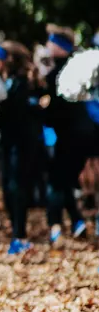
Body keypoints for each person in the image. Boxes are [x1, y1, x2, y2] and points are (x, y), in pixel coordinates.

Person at [41, 26, 92, 242]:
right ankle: (77, 221)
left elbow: (58, 113)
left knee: (56, 182)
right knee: (64, 181)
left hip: (70, 137)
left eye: (51, 43)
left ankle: (55, 227)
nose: (47, 47)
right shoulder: (79, 68)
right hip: (82, 135)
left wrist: (41, 110)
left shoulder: (60, 75)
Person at [0, 42, 34, 254]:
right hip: (5, 142)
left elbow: (15, 112)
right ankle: (15, 230)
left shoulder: (20, 82)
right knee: (7, 188)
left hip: (20, 143)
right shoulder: (0, 81)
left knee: (16, 187)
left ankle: (20, 234)